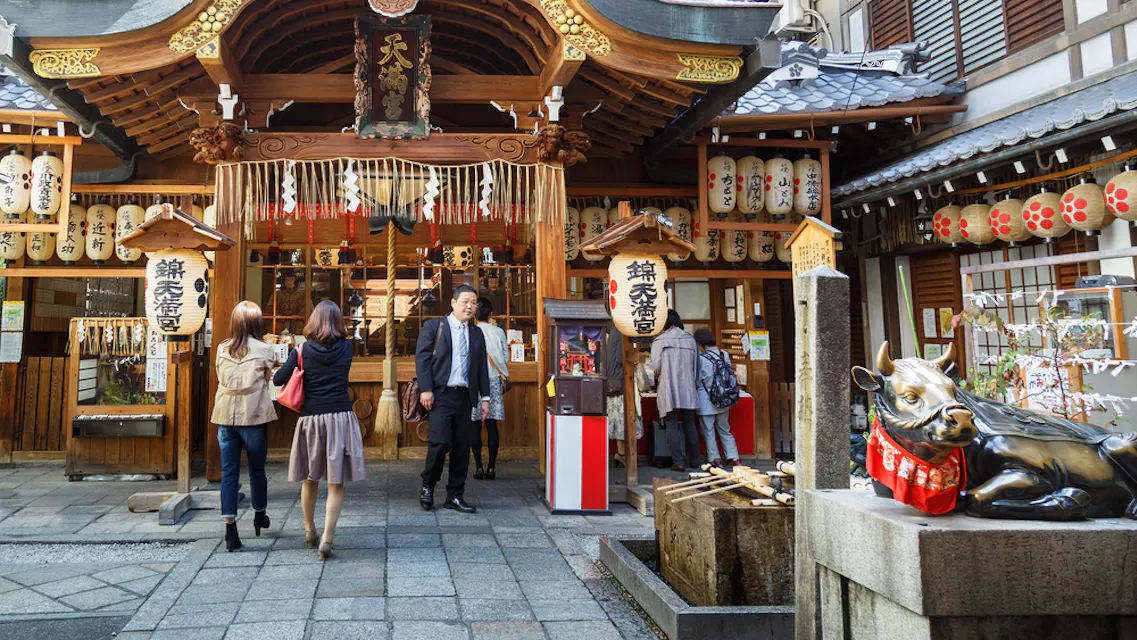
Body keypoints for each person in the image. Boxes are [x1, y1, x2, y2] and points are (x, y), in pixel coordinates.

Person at [274, 300, 365, 560]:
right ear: (338, 322)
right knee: (336, 483)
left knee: (310, 479)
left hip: (311, 420)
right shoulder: (347, 347)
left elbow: (279, 379)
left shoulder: (302, 350)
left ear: (314, 321)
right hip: (341, 417)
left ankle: (309, 530)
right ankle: (327, 537)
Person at [416, 285, 491, 513]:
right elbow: (422, 358)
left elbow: (481, 368)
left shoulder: (477, 333)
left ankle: (455, 495)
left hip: (465, 397)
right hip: (440, 395)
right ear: (453, 302)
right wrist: (426, 389)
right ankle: (428, 487)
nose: (470, 306)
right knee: (440, 444)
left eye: (474, 302)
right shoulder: (435, 326)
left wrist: (485, 397)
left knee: (461, 447)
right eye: (465, 302)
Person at [212, 301, 277, 553]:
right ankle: (259, 515)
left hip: (225, 415)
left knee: (229, 472)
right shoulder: (265, 349)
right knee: (256, 469)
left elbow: (220, 376)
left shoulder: (221, 350)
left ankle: (230, 528)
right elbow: (268, 377)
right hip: (254, 415)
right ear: (256, 323)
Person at [649, 310, 700, 471]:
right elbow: (696, 367)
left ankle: (678, 462)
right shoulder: (690, 340)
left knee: (671, 423)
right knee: (689, 423)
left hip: (669, 386)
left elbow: (655, 367)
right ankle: (695, 460)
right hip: (688, 387)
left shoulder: (660, 340)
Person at [693, 328, 741, 468]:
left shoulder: (701, 359)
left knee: (708, 431)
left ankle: (715, 459)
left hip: (705, 399)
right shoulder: (724, 354)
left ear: (700, 344)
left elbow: (697, 380)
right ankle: (733, 457)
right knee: (724, 429)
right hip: (723, 399)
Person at [472, 297, 508, 480]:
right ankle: (492, 467)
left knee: (475, 426)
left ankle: (478, 466)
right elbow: (505, 358)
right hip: (494, 380)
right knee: (492, 426)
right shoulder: (499, 332)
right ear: (491, 314)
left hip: (475, 382)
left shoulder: (471, 331)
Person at [605, 323, 640, 467]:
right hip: (620, 382)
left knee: (618, 420)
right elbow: (621, 358)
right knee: (624, 420)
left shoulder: (614, 333)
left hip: (613, 382)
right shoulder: (621, 333)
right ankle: (625, 454)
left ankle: (621, 453)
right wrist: (635, 358)